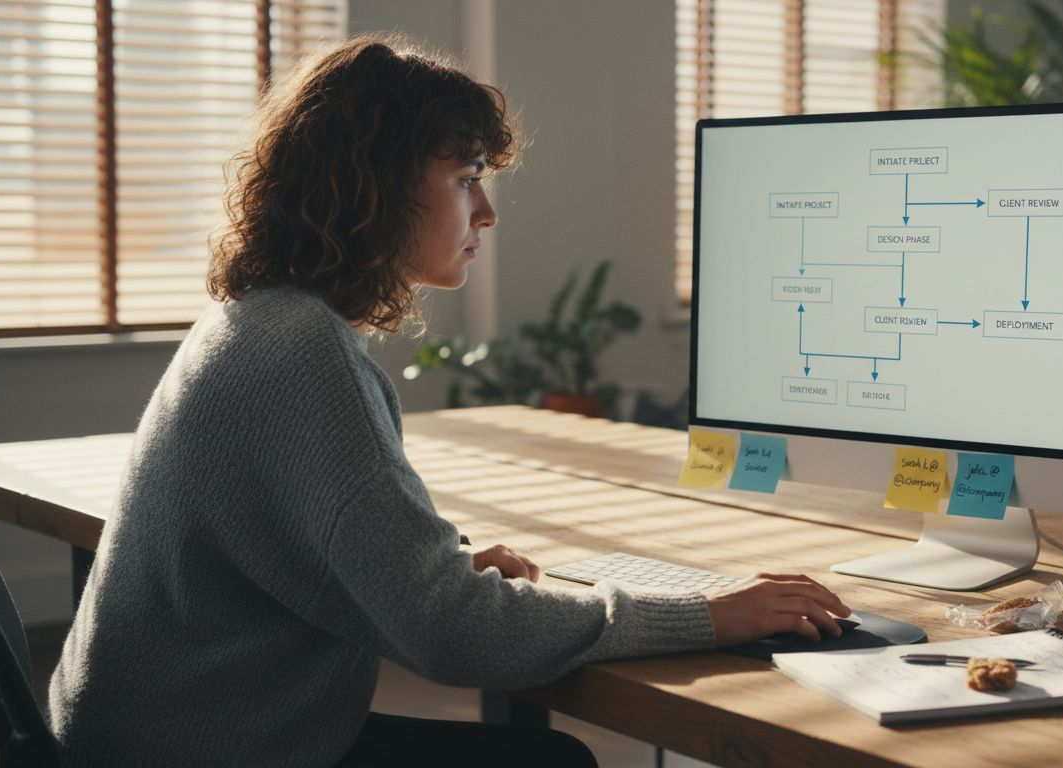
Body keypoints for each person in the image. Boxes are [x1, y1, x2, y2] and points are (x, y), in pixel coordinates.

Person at [47, 35, 850, 766]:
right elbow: (456, 635)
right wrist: (709, 613)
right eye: (467, 180)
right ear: (376, 187)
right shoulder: (302, 352)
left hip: (146, 735)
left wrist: (433, 571)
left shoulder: (262, 319)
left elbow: (325, 547)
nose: (488, 213)